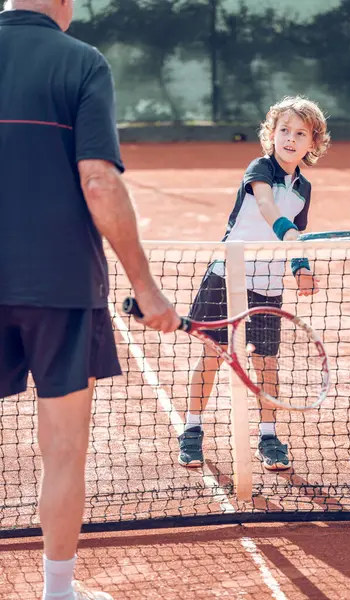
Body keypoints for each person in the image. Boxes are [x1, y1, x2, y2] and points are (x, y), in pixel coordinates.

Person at [0, 2, 180, 599]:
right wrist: (145, 286)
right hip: (62, 288)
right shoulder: (81, 62)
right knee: (63, 449)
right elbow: (98, 179)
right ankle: (58, 593)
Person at [178, 96, 330, 471]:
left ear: (313, 143)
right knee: (212, 357)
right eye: (284, 131)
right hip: (226, 275)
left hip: (268, 283)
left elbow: (294, 240)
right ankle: (192, 430)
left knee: (266, 364)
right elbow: (266, 207)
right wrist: (288, 234)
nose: (290, 139)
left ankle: (268, 435)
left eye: (300, 134)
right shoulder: (259, 168)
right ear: (271, 134)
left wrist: (300, 267)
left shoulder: (303, 189)